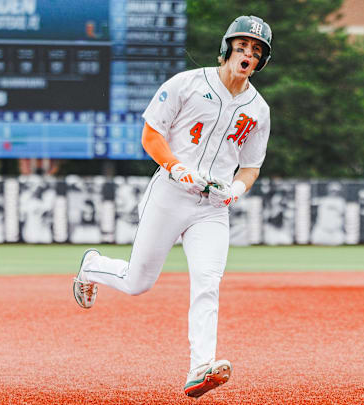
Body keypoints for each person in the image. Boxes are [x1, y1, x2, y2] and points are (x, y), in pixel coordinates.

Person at [72, 15, 273, 399]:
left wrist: (235, 190)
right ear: (227, 48)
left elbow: (251, 166)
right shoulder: (188, 83)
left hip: (213, 207)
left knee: (208, 282)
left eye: (256, 50)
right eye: (243, 45)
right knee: (138, 282)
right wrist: (177, 168)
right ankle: (92, 266)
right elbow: (151, 134)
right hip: (170, 193)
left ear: (261, 61)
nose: (248, 53)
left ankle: (200, 367)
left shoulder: (258, 110)